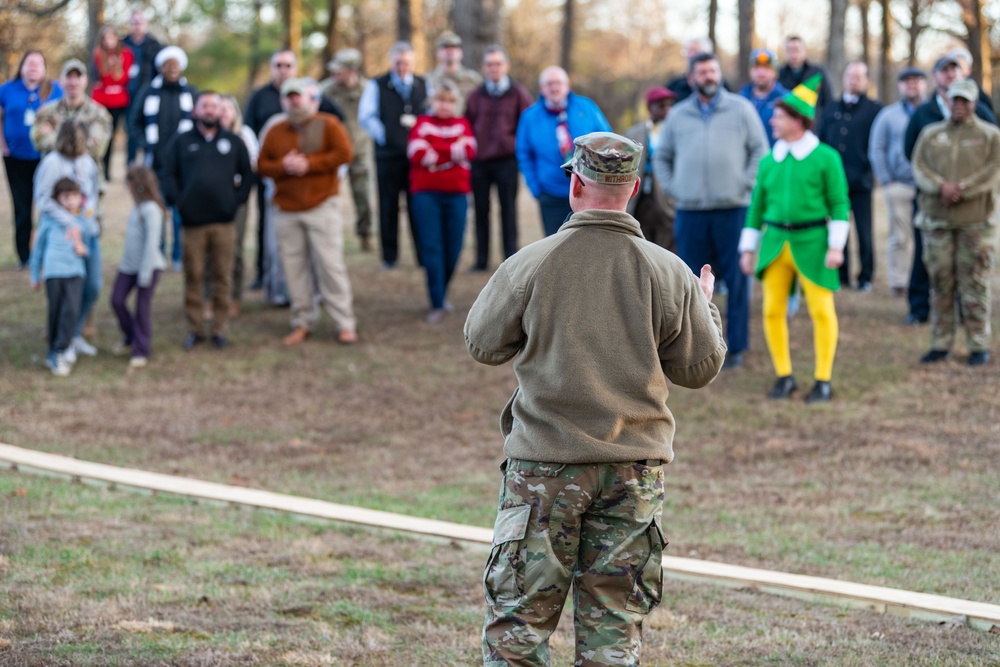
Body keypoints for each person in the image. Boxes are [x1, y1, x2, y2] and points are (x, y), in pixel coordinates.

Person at [465, 132, 726, 667]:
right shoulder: (668, 270)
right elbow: (699, 369)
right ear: (632, 188)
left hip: (544, 471)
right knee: (613, 632)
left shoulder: (531, 262)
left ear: (575, 184)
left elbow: (483, 343)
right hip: (632, 473)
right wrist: (705, 308)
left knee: (518, 628)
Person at [654, 52, 769, 370]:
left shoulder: (741, 109)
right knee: (690, 281)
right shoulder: (678, 115)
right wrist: (675, 188)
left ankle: (737, 346)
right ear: (691, 78)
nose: (709, 76)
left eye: (713, 71)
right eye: (702, 72)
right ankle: (694, 344)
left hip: (733, 209)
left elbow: (761, 151)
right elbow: (662, 157)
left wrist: (746, 183)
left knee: (737, 278)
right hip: (691, 212)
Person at [739, 76, 850, 403]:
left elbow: (840, 203)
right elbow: (757, 206)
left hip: (814, 244)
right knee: (772, 311)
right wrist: (748, 248)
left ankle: (823, 380)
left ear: (798, 120)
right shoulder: (769, 160)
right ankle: (784, 376)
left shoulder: (826, 157)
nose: (772, 121)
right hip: (775, 245)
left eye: (779, 116)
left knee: (821, 311)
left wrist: (835, 246)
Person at [258, 78, 358, 346]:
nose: (294, 102)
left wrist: (309, 164)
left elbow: (345, 154)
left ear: (310, 99)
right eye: (288, 98)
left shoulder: (329, 124)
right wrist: (284, 165)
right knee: (293, 268)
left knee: (330, 266)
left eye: (297, 97)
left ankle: (344, 322)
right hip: (286, 211)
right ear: (283, 102)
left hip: (321, 206)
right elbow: (262, 165)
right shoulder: (276, 130)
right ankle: (302, 321)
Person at [911, 79, 1000, 367]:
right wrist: (941, 187)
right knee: (940, 281)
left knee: (974, 282)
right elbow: (918, 166)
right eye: (955, 100)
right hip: (937, 221)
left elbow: (994, 170)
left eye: (965, 101)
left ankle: (977, 343)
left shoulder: (989, 135)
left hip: (975, 222)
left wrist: (963, 188)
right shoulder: (931, 133)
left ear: (975, 103)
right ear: (947, 101)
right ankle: (940, 343)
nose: (959, 106)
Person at [161, 91, 253, 351]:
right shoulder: (181, 142)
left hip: (224, 223)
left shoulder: (234, 142)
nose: (210, 110)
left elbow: (247, 175)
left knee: (222, 277)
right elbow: (169, 174)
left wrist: (235, 202)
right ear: (196, 111)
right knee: (194, 276)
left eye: (214, 106)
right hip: (193, 224)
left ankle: (220, 328)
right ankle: (196, 328)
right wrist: (179, 202)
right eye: (205, 106)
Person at [246, 49, 346, 286]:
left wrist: (312, 161)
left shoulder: (308, 93)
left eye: (288, 65)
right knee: (267, 226)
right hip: (273, 175)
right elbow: (249, 132)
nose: (283, 70)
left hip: (311, 178)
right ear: (272, 68)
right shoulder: (260, 97)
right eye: (278, 65)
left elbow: (337, 124)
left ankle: (315, 282)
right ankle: (265, 273)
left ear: (295, 68)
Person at [407, 82, 477, 323]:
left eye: (449, 101)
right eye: (440, 100)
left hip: (457, 194)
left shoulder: (462, 124)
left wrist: (435, 154)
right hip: (426, 195)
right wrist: (451, 152)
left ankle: (442, 292)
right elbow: (416, 152)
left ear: (455, 103)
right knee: (432, 247)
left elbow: (469, 150)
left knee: (454, 247)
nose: (444, 105)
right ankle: (436, 301)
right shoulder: (421, 123)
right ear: (431, 102)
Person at [34, 119, 102, 360]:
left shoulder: (87, 163)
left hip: (88, 232)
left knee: (93, 286)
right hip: (62, 235)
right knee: (67, 292)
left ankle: (74, 333)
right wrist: (69, 222)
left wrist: (88, 216)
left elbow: (92, 193)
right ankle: (62, 341)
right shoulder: (51, 163)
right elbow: (43, 200)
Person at [515, 65, 611, 237]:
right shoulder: (529, 117)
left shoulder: (587, 108)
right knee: (555, 245)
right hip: (550, 194)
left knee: (589, 243)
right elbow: (523, 153)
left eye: (558, 82)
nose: (554, 87)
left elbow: (607, 140)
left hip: (588, 191)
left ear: (567, 85)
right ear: (542, 88)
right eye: (549, 83)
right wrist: (536, 188)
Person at [359, 41, 428, 268]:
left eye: (406, 62)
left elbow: (430, 113)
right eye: (398, 62)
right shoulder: (376, 84)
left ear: (413, 62)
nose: (402, 66)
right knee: (387, 206)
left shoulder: (424, 84)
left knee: (417, 206)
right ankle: (389, 257)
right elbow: (366, 116)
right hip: (387, 157)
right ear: (391, 62)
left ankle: (422, 256)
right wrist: (386, 136)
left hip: (416, 161)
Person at [464, 44, 533, 270]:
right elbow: (467, 124)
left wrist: (516, 146)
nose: (494, 68)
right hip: (480, 162)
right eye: (489, 64)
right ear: (484, 67)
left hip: (507, 161)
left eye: (498, 64)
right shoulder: (476, 95)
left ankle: (510, 259)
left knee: (508, 210)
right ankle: (481, 260)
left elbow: (528, 124)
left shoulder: (518, 93)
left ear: (506, 66)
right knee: (481, 211)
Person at [129, 45, 197, 271]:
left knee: (178, 214)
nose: (172, 68)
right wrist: (144, 143)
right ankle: (155, 253)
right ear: (161, 68)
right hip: (155, 164)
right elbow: (135, 122)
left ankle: (178, 256)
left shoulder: (191, 93)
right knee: (156, 212)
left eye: (176, 64)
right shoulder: (148, 92)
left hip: (183, 165)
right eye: (168, 64)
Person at [817, 61, 881, 292]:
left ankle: (865, 276)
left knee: (864, 232)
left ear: (866, 81)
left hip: (861, 182)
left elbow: (877, 144)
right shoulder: (831, 108)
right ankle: (842, 275)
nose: (853, 80)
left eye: (858, 77)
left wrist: (868, 168)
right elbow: (822, 140)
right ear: (844, 79)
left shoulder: (875, 109)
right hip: (835, 185)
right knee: (838, 228)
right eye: (850, 76)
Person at [0, 50, 63, 267]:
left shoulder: (54, 90)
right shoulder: (7, 89)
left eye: (38, 64)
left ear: (45, 68)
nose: (33, 67)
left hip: (46, 158)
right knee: (22, 207)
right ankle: (24, 256)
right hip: (15, 158)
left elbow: (65, 118)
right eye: (29, 63)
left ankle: (49, 251)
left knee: (49, 204)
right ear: (22, 66)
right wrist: (3, 146)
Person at [868, 67, 926, 299]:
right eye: (906, 81)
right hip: (899, 185)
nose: (911, 85)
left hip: (928, 188)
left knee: (927, 238)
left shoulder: (934, 112)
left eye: (916, 81)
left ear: (924, 84)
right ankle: (899, 282)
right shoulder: (888, 115)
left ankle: (926, 282)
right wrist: (886, 181)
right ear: (900, 86)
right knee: (899, 237)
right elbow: (877, 148)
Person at [29, 178, 91, 376]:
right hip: (54, 272)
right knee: (55, 310)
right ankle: (54, 352)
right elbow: (38, 249)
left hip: (75, 272)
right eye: (65, 196)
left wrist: (83, 250)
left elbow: (88, 246)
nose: (70, 201)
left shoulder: (82, 220)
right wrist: (34, 275)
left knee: (71, 309)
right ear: (57, 198)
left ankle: (63, 347)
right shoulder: (49, 219)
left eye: (74, 196)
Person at [110, 165, 166, 368]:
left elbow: (152, 244)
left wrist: (145, 274)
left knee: (142, 307)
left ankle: (141, 348)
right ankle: (130, 336)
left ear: (136, 186)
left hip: (148, 267)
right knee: (117, 300)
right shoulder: (136, 208)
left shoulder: (151, 210)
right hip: (128, 267)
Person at [321, 48, 374, 252]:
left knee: (363, 196)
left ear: (353, 70)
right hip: (333, 152)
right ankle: (327, 235)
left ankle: (365, 234)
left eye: (339, 70)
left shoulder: (368, 89)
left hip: (360, 150)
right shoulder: (326, 90)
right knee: (328, 196)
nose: (335, 74)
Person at [212, 95, 259, 318]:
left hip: (235, 199)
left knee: (235, 247)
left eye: (227, 109)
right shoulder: (206, 135)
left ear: (235, 113)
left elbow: (252, 167)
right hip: (211, 199)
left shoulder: (244, 136)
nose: (222, 113)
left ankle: (235, 296)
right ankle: (211, 297)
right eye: (218, 109)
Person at [623, 86, 677, 250]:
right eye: (661, 106)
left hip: (666, 201)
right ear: (649, 107)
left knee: (667, 248)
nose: (666, 110)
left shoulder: (676, 132)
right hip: (640, 200)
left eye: (669, 106)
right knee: (640, 246)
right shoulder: (633, 133)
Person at [32, 58, 113, 166]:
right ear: (61, 80)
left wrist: (55, 136)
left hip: (87, 176)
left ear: (86, 80)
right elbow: (38, 141)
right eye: (69, 77)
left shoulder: (99, 114)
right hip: (54, 175)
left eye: (78, 77)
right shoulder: (46, 112)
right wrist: (82, 140)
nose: (73, 82)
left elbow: (97, 149)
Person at [91, 26, 134, 180]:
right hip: (102, 100)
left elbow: (124, 77)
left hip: (120, 101)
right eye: (105, 38)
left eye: (111, 37)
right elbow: (98, 78)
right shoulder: (98, 54)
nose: (109, 41)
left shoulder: (126, 54)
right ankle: (103, 169)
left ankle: (128, 169)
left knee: (119, 134)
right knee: (104, 135)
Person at [122, 8, 162, 165]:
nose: (137, 25)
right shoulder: (123, 44)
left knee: (148, 128)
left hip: (147, 94)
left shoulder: (154, 44)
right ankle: (130, 164)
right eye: (134, 22)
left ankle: (148, 162)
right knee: (130, 129)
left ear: (145, 24)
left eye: (140, 22)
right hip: (128, 94)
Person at [425, 31, 483, 115]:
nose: (450, 51)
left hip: (465, 125)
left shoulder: (474, 80)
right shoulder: (427, 79)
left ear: (461, 52)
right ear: (437, 53)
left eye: (454, 47)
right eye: (445, 47)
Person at [740, 48, 789, 146]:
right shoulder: (740, 99)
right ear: (750, 71)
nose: (761, 73)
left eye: (767, 68)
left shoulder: (787, 100)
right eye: (757, 68)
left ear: (775, 72)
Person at [778, 36, 833, 125]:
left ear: (804, 51)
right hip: (788, 127)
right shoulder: (779, 75)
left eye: (797, 50)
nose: (793, 55)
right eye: (790, 50)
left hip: (814, 126)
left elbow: (829, 101)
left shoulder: (817, 73)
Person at [665, 37, 732, 102]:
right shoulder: (674, 87)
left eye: (695, 51)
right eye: (688, 51)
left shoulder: (722, 86)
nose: (690, 55)